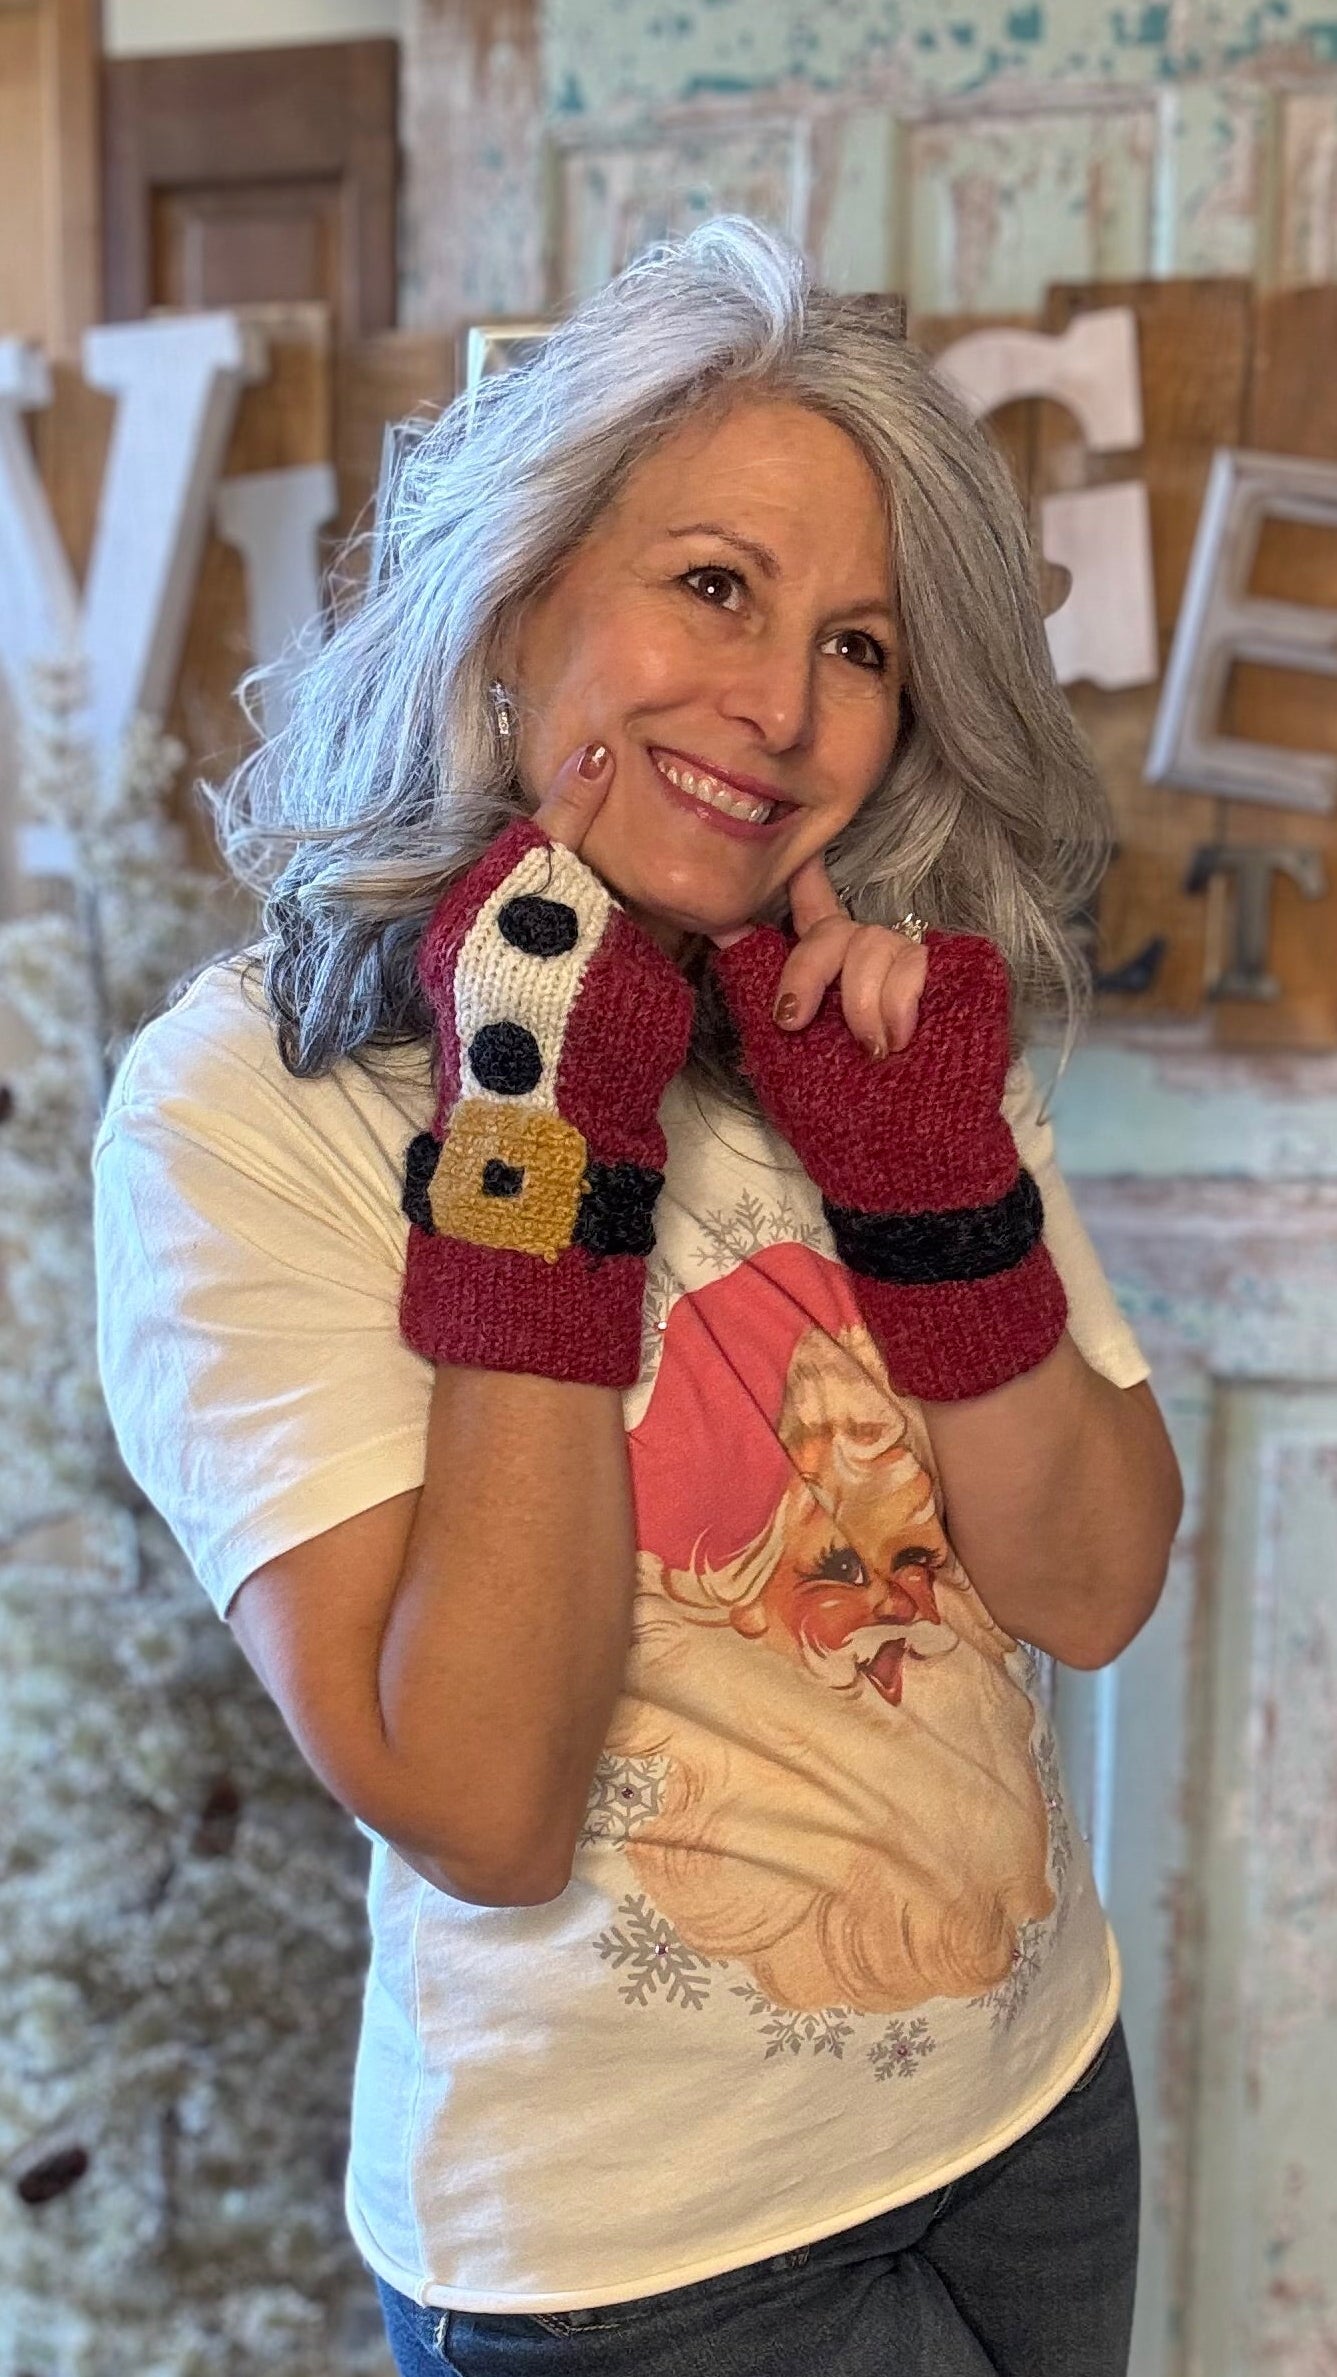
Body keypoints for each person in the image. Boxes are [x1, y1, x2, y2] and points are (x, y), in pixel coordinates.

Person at [93, 218, 1183, 2377]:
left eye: (858, 642)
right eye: (712, 585)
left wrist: (931, 1186)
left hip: (1034, 2105)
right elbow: (484, 1799)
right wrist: (541, 1134)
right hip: (651, 2250)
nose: (780, 707)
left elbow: (1093, 1583)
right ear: (517, 602)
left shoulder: (872, 1025)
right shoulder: (245, 1100)